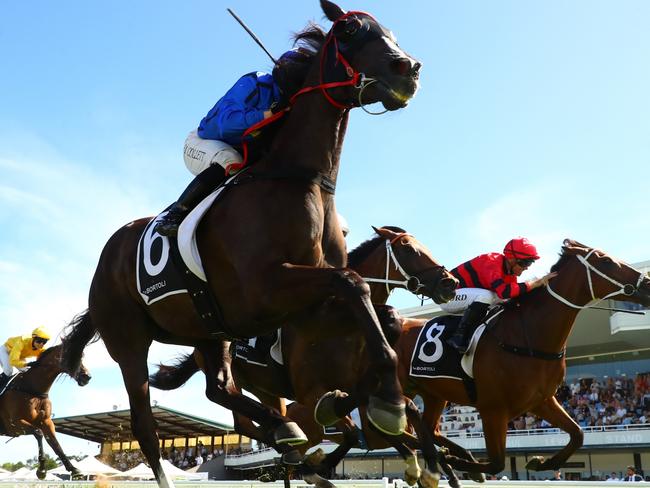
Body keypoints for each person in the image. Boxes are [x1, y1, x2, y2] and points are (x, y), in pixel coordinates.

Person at [155, 48, 313, 237]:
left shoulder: (290, 102)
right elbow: (226, 124)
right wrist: (267, 114)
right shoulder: (254, 82)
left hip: (243, 153)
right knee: (230, 159)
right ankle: (175, 215)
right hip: (204, 142)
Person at [442, 237, 557, 354]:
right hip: (447, 297)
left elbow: (511, 297)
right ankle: (458, 337)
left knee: (503, 300)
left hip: (465, 297)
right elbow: (504, 292)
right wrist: (536, 283)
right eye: (525, 263)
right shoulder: (492, 261)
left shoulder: (510, 275)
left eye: (530, 263)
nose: (527, 267)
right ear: (511, 259)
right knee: (487, 296)